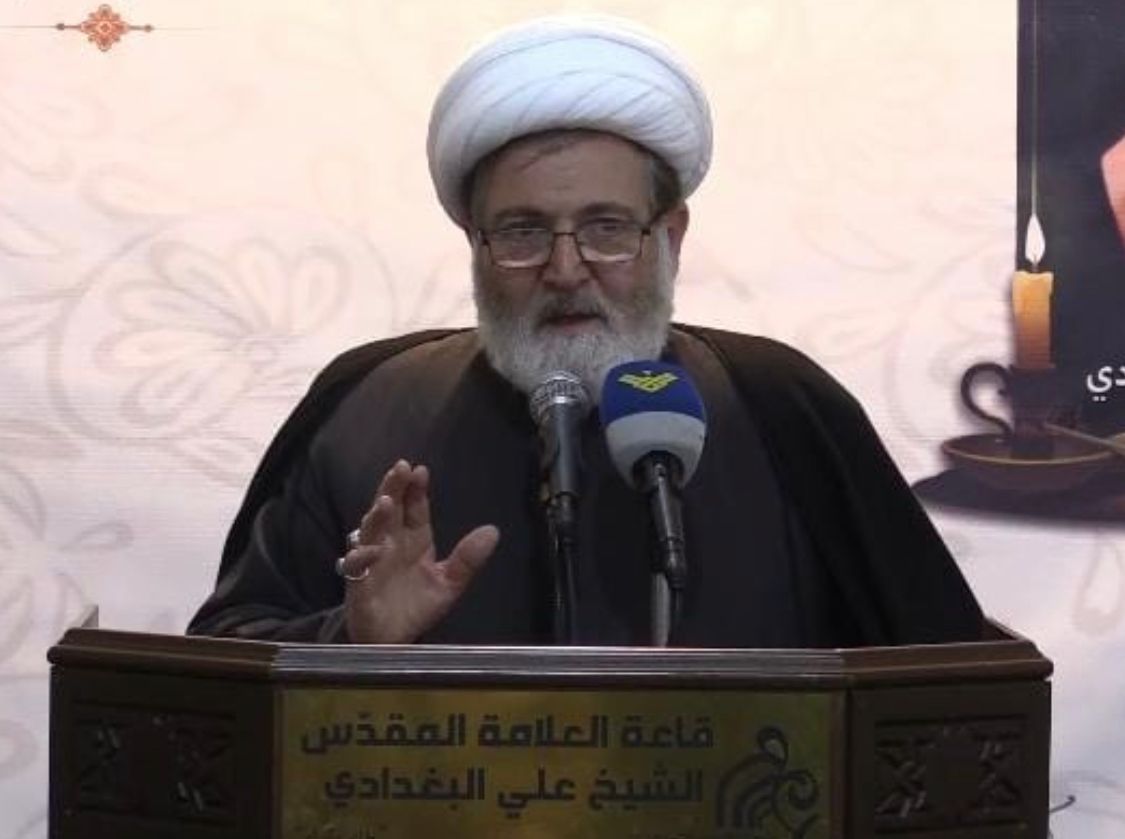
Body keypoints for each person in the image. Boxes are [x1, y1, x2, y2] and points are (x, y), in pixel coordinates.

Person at [188, 15, 982, 647]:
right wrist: (350, 638)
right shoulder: (366, 410)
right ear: (475, 245)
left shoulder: (782, 406)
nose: (566, 270)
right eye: (523, 232)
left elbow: (942, 673)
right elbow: (226, 664)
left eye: (606, 228)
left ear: (669, 236)